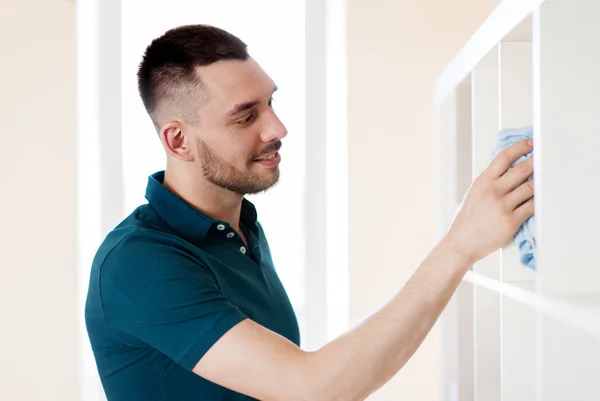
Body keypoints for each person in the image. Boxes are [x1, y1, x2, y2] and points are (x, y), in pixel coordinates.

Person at [84, 24, 535, 401]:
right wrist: (459, 247)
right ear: (178, 141)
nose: (278, 129)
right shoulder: (138, 263)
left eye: (270, 103)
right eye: (245, 117)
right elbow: (312, 388)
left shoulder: (241, 228)